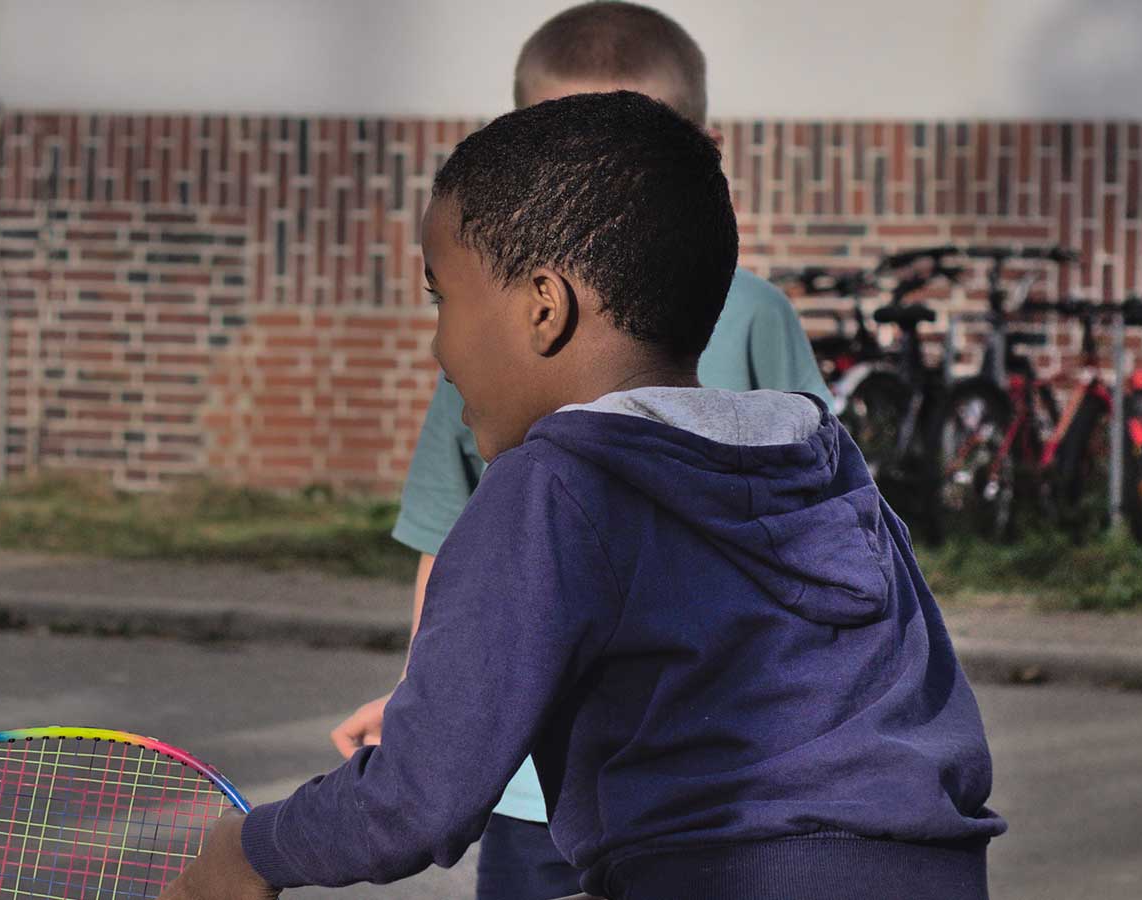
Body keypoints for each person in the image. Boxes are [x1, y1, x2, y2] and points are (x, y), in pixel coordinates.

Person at [159, 90, 1004, 900]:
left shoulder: (554, 485)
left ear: (543, 308)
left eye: (440, 297)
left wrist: (248, 848)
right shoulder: (819, 457)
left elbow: (415, 803)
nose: (437, 347)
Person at [331, 5, 832, 896]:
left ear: (701, 154)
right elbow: (452, 544)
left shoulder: (752, 316)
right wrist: (426, 706)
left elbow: (815, 518)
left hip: (706, 790)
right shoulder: (487, 345)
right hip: (534, 791)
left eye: (631, 146)